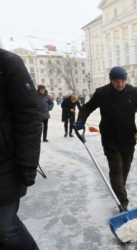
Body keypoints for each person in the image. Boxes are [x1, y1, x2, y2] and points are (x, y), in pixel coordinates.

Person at [75, 66, 137, 211]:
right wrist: (80, 120)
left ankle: (119, 189)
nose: (120, 84)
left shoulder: (133, 92)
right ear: (111, 80)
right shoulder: (102, 93)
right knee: (116, 169)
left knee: (125, 168)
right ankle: (123, 202)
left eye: (123, 81)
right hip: (110, 138)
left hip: (128, 137)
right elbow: (87, 107)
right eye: (117, 81)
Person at [0, 48, 42, 250]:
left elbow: (29, 115)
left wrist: (27, 162)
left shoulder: (7, 63)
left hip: (4, 164)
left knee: (5, 227)